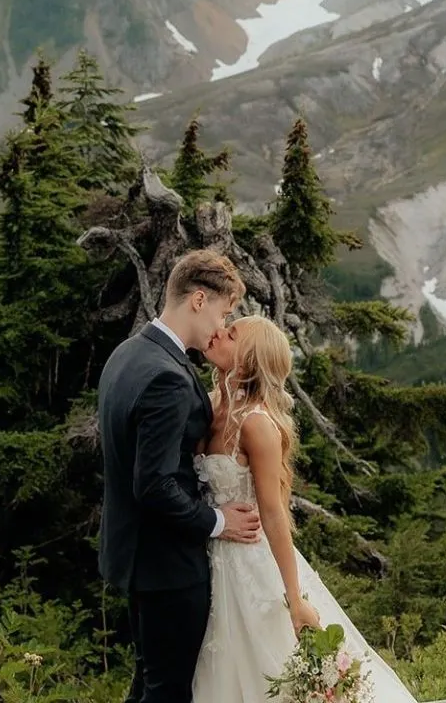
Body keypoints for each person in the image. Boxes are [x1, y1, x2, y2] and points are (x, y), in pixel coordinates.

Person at [191, 314, 420, 703]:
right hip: (208, 557)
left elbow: (275, 513)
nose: (218, 333)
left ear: (247, 359)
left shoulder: (257, 425)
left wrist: (294, 598)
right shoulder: (207, 405)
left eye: (231, 334)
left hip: (250, 564)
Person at [98, 249, 262, 703]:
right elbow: (153, 484)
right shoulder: (167, 377)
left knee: (148, 684)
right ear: (198, 300)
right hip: (167, 565)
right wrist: (218, 521)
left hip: (134, 557)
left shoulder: (127, 354)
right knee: (169, 692)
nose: (219, 327)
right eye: (223, 312)